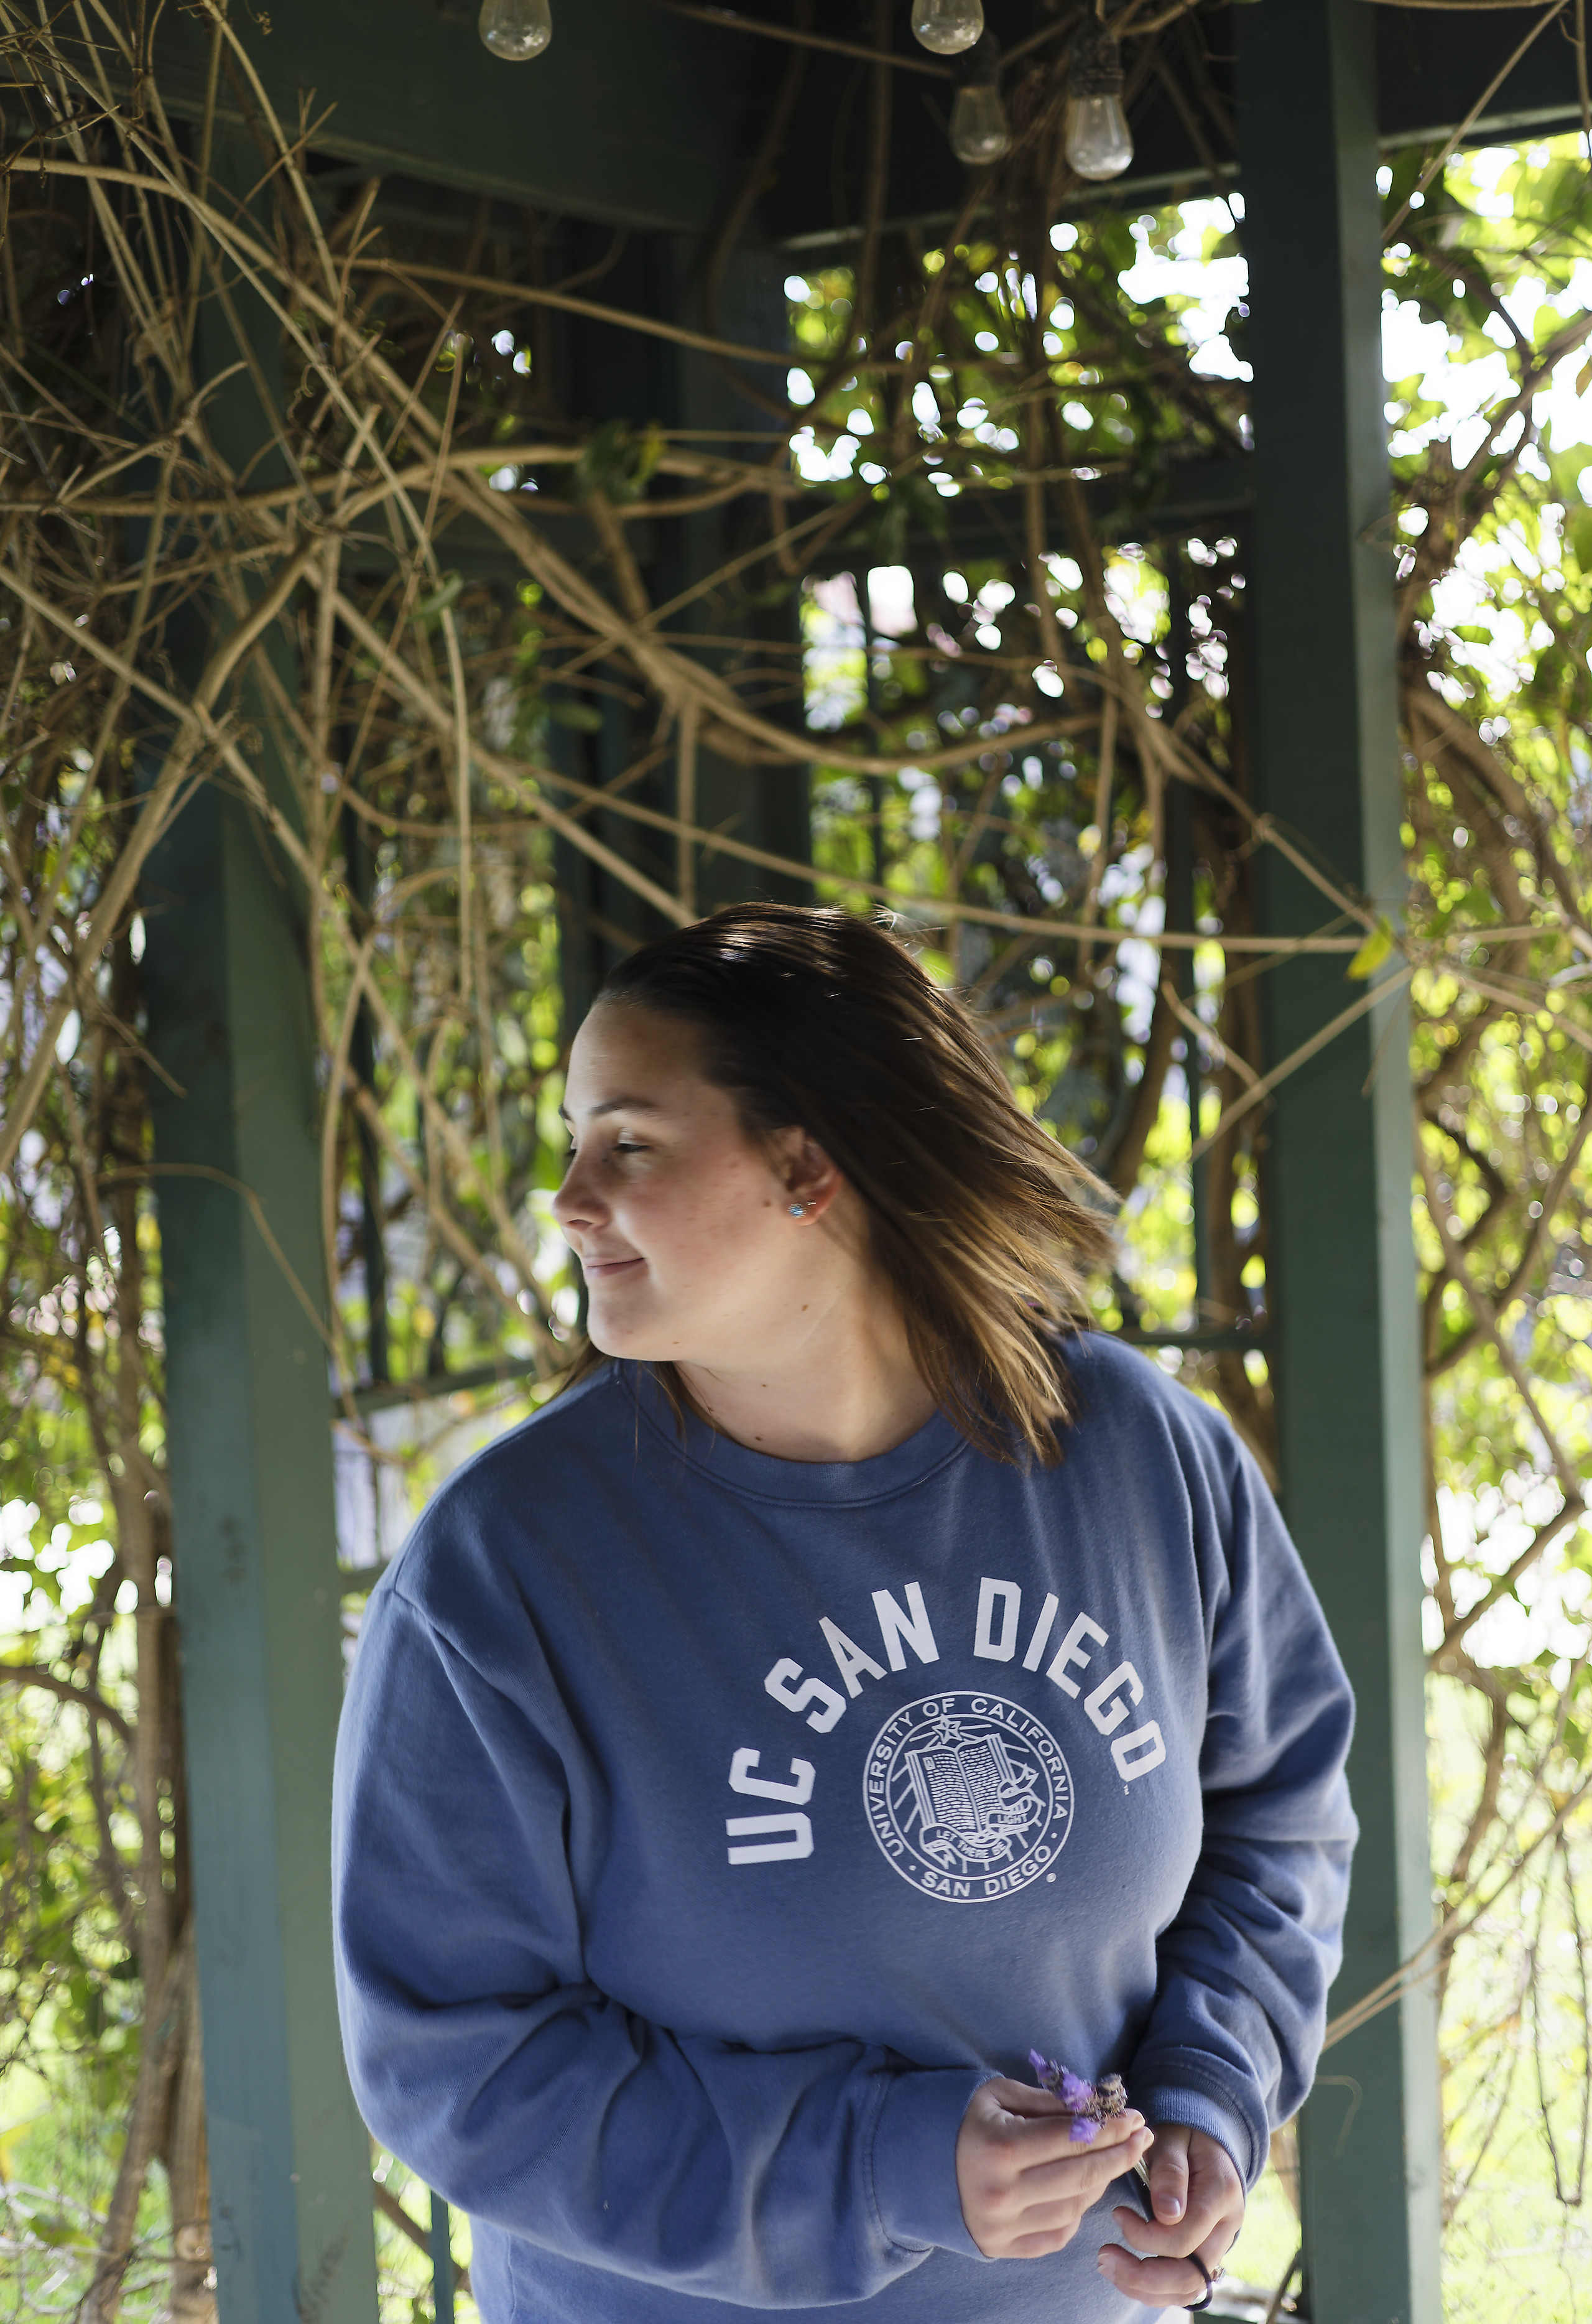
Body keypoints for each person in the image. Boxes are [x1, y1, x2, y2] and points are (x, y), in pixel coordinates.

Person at [332, 903, 1356, 2324]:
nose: (567, 1197)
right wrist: (881, 2167)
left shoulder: (1138, 1456)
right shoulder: (501, 1573)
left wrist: (1208, 2093)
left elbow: (1275, 1823)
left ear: (806, 1165)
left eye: (628, 1144)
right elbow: (455, 2062)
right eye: (574, 1142)